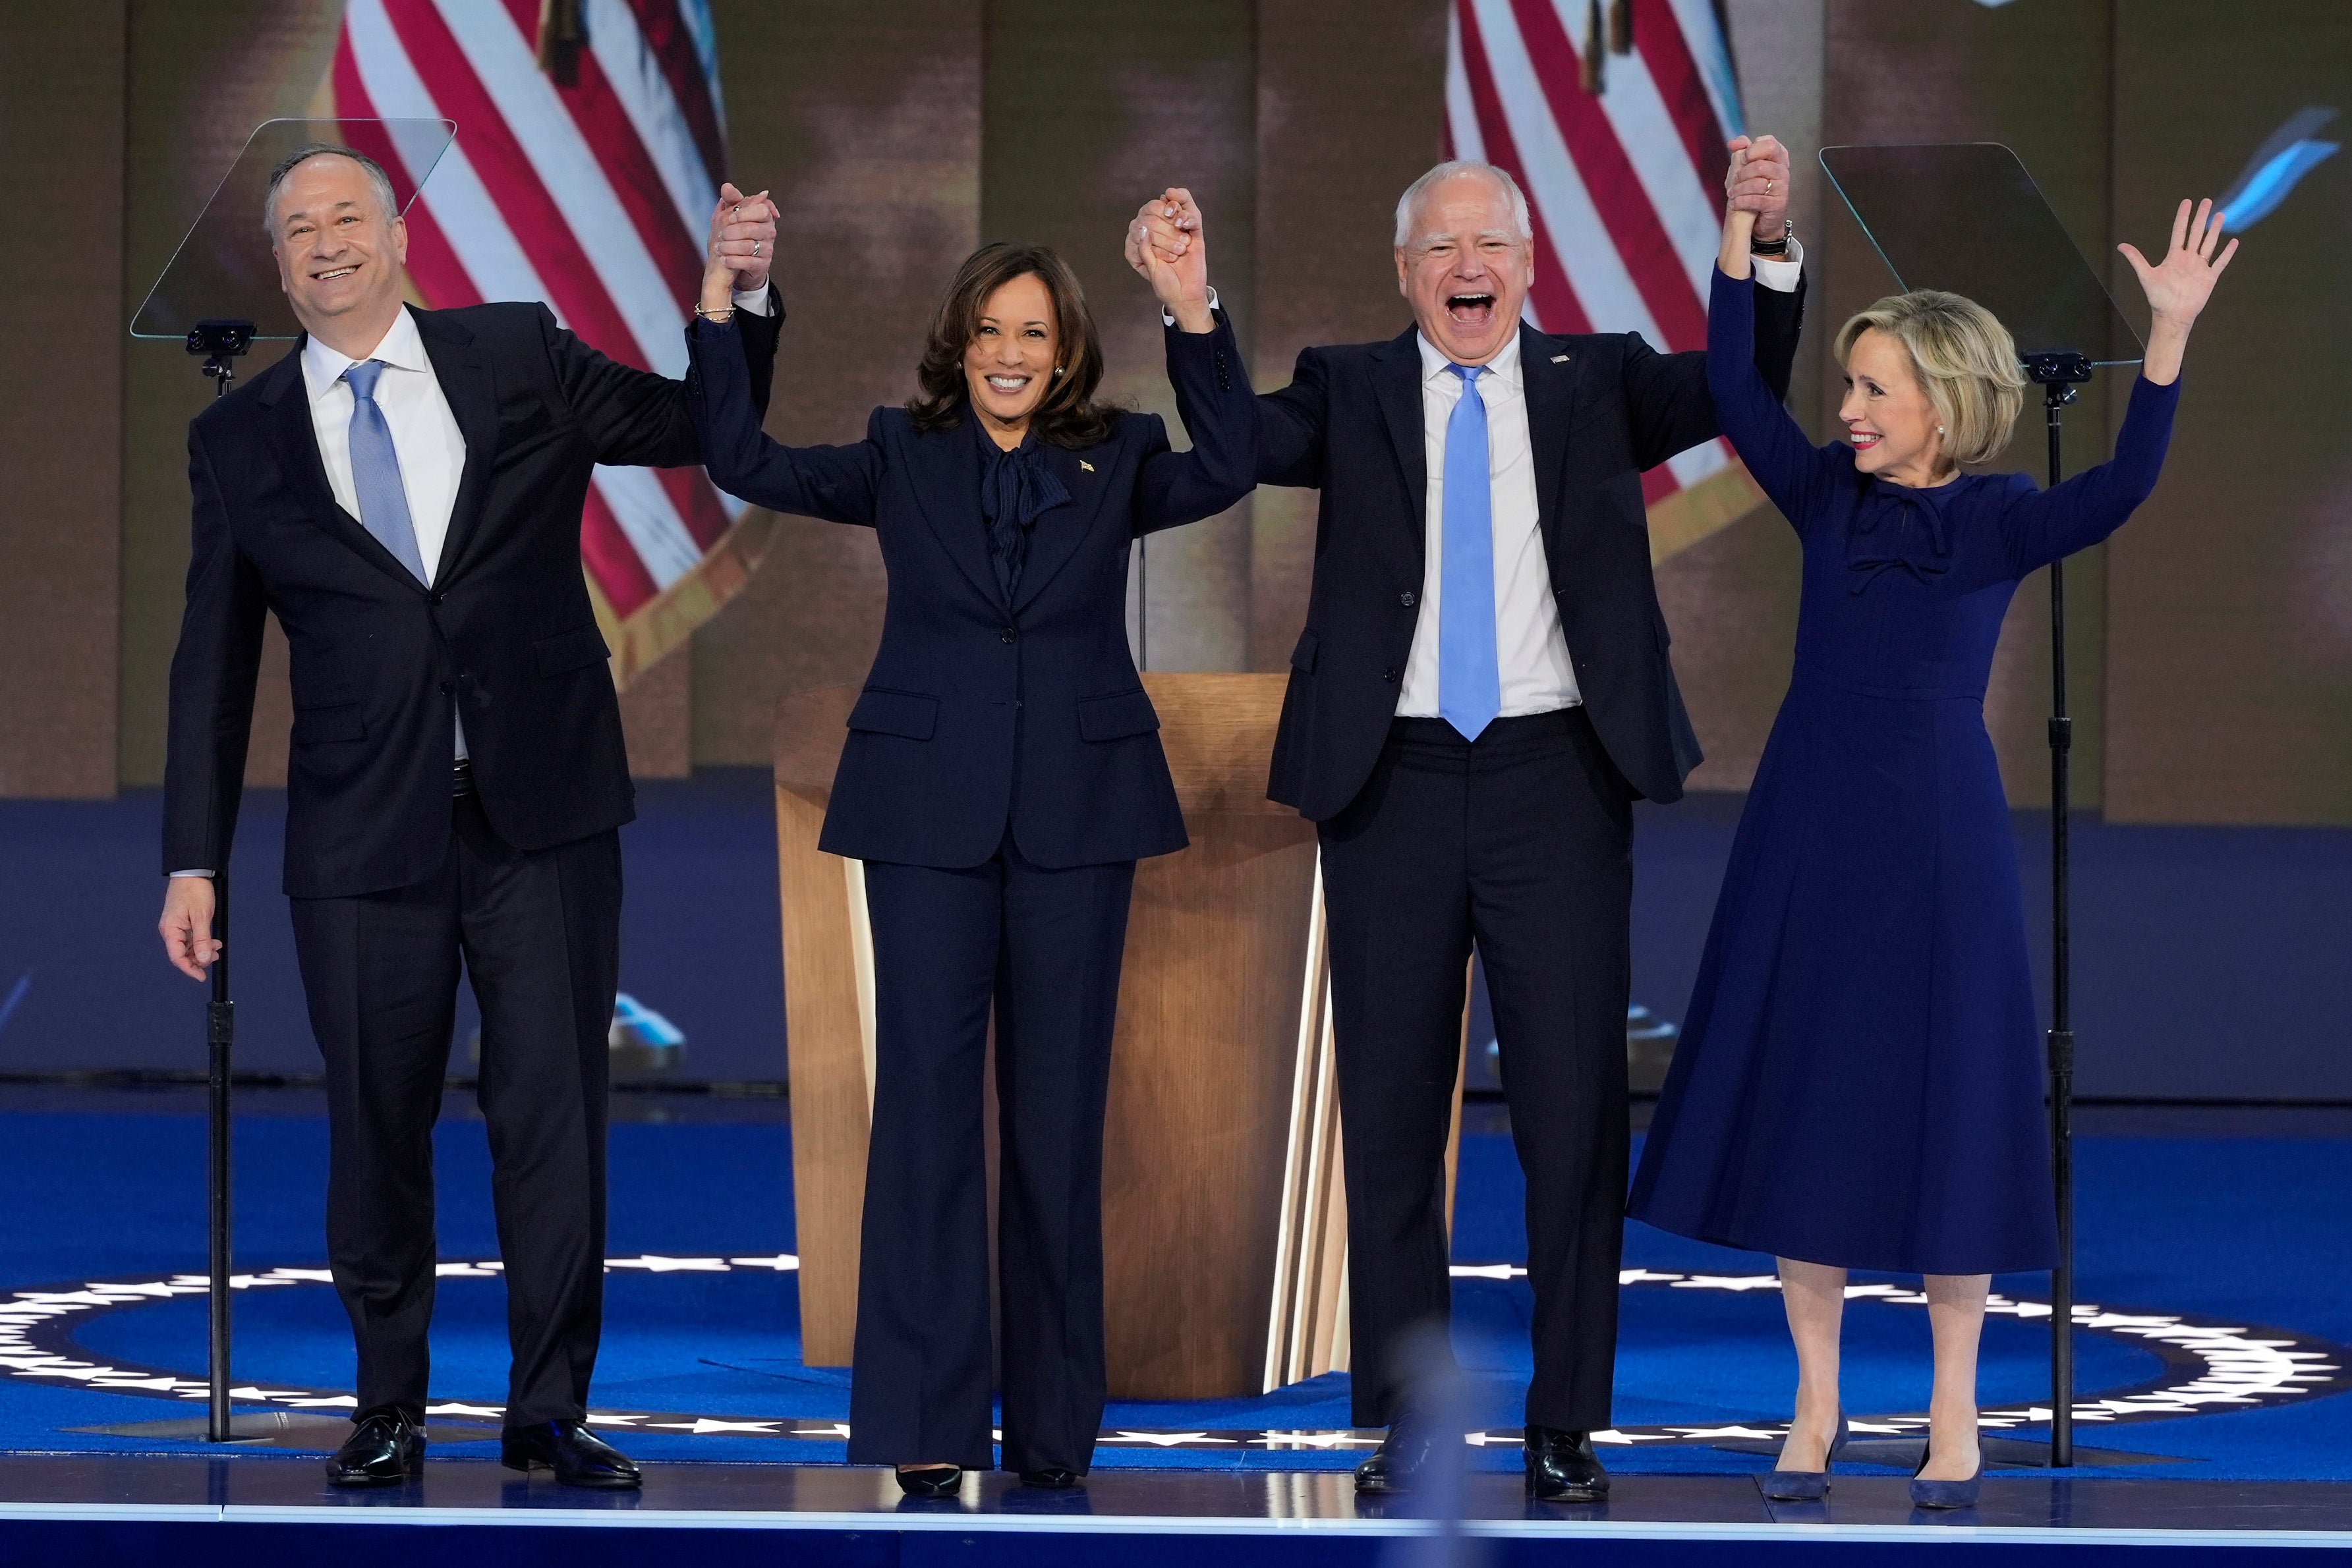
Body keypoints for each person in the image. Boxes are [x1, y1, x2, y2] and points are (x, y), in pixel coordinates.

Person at [1126, 142, 1810, 1501]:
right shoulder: (1354, 386)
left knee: (1570, 1109)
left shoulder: (1600, 378)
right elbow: (1241, 444)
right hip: (1395, 781)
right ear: (1403, 275)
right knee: (1388, 1114)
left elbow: (1739, 383)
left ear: (1529, 262)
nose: (1465, 268)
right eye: (1437, 250)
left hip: (1559, 777)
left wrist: (1757, 243)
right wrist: (1193, 306)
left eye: (1487, 244)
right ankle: (1413, 1414)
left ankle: (1565, 1417)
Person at [156, 145, 784, 1490]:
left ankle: (547, 1406)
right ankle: (388, 1400)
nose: (327, 243)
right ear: (278, 264)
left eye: (348, 217)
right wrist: (191, 858)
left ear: (399, 232)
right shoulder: (237, 438)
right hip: (359, 831)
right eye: (299, 230)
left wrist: (733, 305)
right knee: (376, 1125)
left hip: (539, 806)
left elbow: (694, 431)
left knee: (552, 1113)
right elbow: (211, 668)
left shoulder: (516, 354)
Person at [1628, 173, 2234, 1509]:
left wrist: (2173, 334)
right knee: (1809, 1105)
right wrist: (1736, 241)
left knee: (1953, 1105)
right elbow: (1734, 389)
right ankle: (1817, 1400)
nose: (1844, 408)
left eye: (1871, 388)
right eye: (1846, 384)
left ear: (1945, 402)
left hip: (1939, 836)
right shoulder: (1826, 500)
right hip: (1809, 823)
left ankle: (1955, 1409)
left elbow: (2129, 484)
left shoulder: (1999, 515)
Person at [684, 194, 1254, 1494]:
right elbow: (740, 456)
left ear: (1066, 354)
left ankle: (1055, 1432)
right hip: (927, 819)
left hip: (1078, 817)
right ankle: (932, 1424)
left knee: (1058, 1127)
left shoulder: (1121, 454)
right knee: (929, 1122)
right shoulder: (898, 453)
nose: (1010, 352)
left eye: (1035, 334)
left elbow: (1231, 467)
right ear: (959, 342)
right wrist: (728, 298)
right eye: (990, 329)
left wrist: (1191, 304)